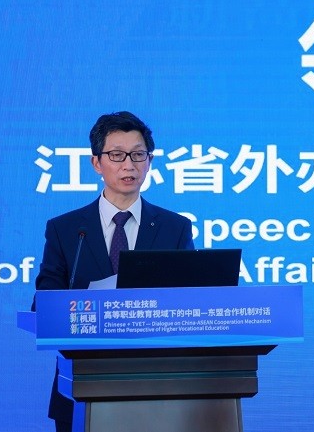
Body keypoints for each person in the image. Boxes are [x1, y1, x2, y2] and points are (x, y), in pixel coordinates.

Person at [33, 111, 194, 432]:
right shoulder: (66, 229)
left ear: (149, 161)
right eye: (117, 155)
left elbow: (190, 300)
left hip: (158, 386)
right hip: (81, 384)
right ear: (97, 163)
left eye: (138, 155)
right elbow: (44, 302)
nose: (129, 165)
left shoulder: (174, 227)